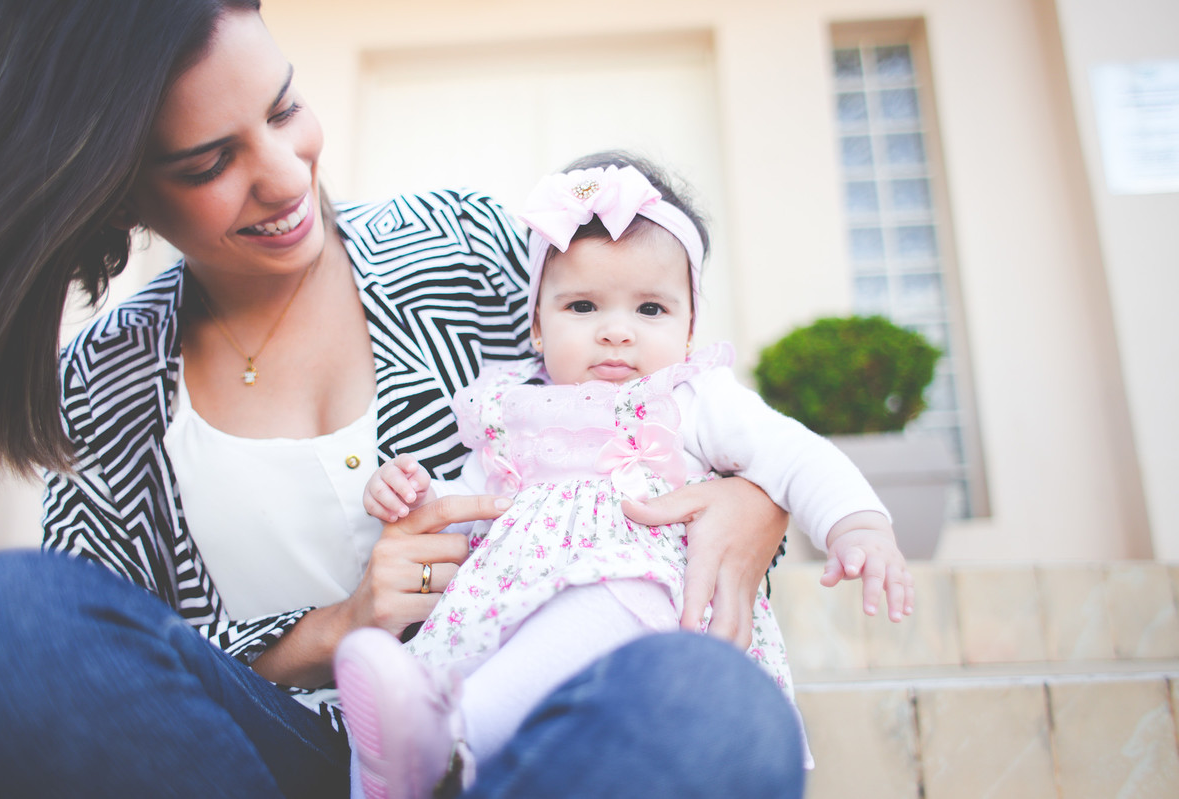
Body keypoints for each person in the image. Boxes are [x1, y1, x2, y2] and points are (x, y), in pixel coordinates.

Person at [0, 2, 813, 796]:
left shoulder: (464, 247)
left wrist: (758, 495)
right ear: (121, 187)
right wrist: (336, 629)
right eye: (210, 162)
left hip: (528, 740)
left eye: (283, 109)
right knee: (12, 615)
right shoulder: (103, 379)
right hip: (268, 756)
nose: (282, 175)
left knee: (716, 704)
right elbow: (114, 667)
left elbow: (665, 417)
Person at [339, 153, 915, 798]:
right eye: (583, 306)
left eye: (650, 310)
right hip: (504, 608)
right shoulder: (508, 407)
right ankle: (407, 765)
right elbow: (469, 499)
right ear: (536, 322)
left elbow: (795, 454)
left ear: (691, 326)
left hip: (640, 597)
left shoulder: (692, 397)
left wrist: (858, 523)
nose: (616, 332)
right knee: (419, 675)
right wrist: (412, 493)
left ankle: (451, 738)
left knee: (608, 596)